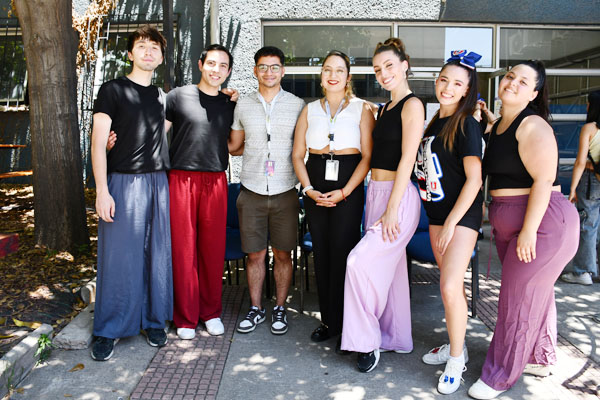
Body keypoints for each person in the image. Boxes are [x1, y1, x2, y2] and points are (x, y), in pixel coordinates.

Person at [469, 61, 579, 399]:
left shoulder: (533, 124)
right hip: (513, 224)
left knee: (516, 302)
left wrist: (529, 230)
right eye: (510, 77)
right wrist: (485, 118)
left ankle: (499, 376)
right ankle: (539, 357)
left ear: (533, 94)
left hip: (543, 224)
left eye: (523, 82)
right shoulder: (500, 125)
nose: (512, 83)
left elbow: (544, 180)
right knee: (535, 295)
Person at [340, 38, 423, 373]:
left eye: (389, 65)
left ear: (404, 65)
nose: (384, 73)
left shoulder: (412, 105)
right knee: (392, 271)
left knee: (359, 263)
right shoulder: (385, 108)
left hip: (397, 197)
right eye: (377, 69)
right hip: (376, 191)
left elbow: (407, 159)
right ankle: (396, 337)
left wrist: (392, 207)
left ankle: (366, 341)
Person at [90, 25, 172, 361]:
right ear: (130, 53)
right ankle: (108, 329)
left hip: (158, 183)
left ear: (161, 57)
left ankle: (153, 321)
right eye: (141, 46)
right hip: (123, 182)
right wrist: (102, 191)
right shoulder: (112, 90)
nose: (148, 52)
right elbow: (98, 144)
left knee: (156, 255)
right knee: (119, 258)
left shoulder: (162, 97)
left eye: (154, 47)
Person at [292, 50, 374, 350]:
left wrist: (345, 192)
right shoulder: (309, 110)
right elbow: (297, 155)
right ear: (321, 75)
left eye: (339, 70)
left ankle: (348, 325)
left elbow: (367, 157)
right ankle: (329, 321)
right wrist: (308, 189)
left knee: (344, 254)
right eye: (327, 69)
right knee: (322, 254)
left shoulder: (363, 109)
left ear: (348, 77)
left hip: (348, 183)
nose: (333, 75)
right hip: (316, 182)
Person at [415, 50, 484, 394]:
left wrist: (453, 223)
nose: (448, 87)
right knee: (450, 286)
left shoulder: (467, 123)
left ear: (467, 90)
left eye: (457, 84)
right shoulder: (434, 123)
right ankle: (458, 345)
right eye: (444, 80)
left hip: (461, 218)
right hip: (437, 216)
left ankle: (456, 360)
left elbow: (475, 179)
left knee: (449, 286)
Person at [228, 46, 304, 335]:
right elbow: (234, 147)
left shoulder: (297, 105)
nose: (268, 72)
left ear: (282, 71)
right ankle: (256, 308)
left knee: (283, 255)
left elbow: (305, 146)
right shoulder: (243, 105)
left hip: (285, 190)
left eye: (274, 67)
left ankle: (280, 308)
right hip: (251, 191)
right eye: (263, 67)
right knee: (255, 255)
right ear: (255, 70)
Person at [167, 44, 236, 340]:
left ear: (228, 71)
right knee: (184, 249)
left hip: (215, 180)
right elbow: (154, 133)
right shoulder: (177, 97)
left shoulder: (230, 103)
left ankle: (210, 312)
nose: (216, 69)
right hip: (181, 179)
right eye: (211, 63)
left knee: (212, 249)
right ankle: (185, 316)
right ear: (200, 65)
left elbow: (234, 143)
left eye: (223, 65)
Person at [562, 90, 600, 285]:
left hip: (592, 180)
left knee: (587, 224)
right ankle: (595, 269)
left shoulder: (590, 128)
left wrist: (572, 189)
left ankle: (583, 271)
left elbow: (580, 162)